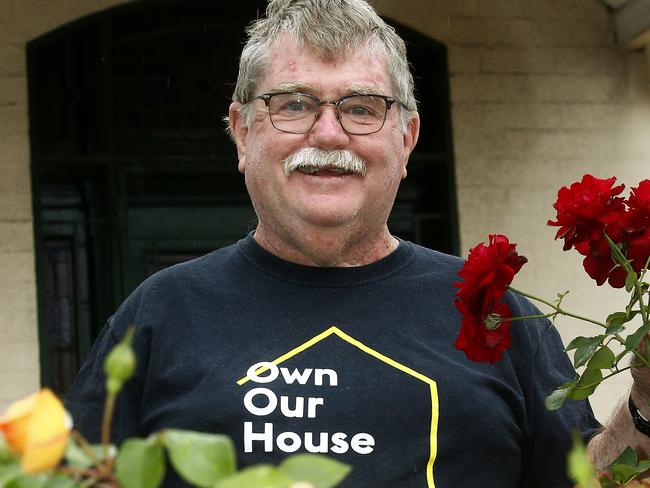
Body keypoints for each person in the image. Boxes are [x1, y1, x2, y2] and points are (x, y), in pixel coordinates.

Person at [65, 0, 650, 486]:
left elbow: (592, 481)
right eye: (293, 104)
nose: (327, 132)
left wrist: (644, 409)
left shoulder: (497, 316)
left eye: (361, 108)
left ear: (407, 136)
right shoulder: (163, 313)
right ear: (242, 132)